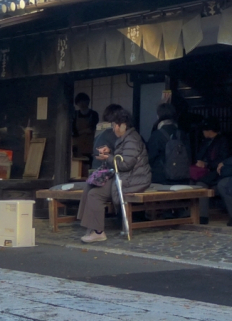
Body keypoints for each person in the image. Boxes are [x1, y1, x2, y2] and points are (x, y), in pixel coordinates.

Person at [79, 105, 151, 243]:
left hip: (134, 179)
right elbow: (122, 161)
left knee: (95, 194)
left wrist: (108, 157)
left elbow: (125, 164)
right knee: (89, 186)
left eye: (114, 125)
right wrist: (109, 154)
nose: (113, 128)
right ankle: (91, 227)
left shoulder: (132, 140)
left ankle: (98, 232)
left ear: (122, 126)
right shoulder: (126, 138)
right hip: (126, 177)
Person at [146, 103, 190, 185]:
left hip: (162, 179)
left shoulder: (157, 135)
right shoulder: (182, 134)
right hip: (182, 178)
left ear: (159, 116)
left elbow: (150, 157)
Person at [189, 120, 231, 187]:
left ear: (209, 130)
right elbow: (199, 156)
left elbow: (223, 158)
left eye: (204, 130)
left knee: (200, 184)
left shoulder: (222, 141)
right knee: (190, 181)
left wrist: (207, 164)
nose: (203, 132)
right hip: (202, 170)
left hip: (215, 171)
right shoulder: (206, 141)